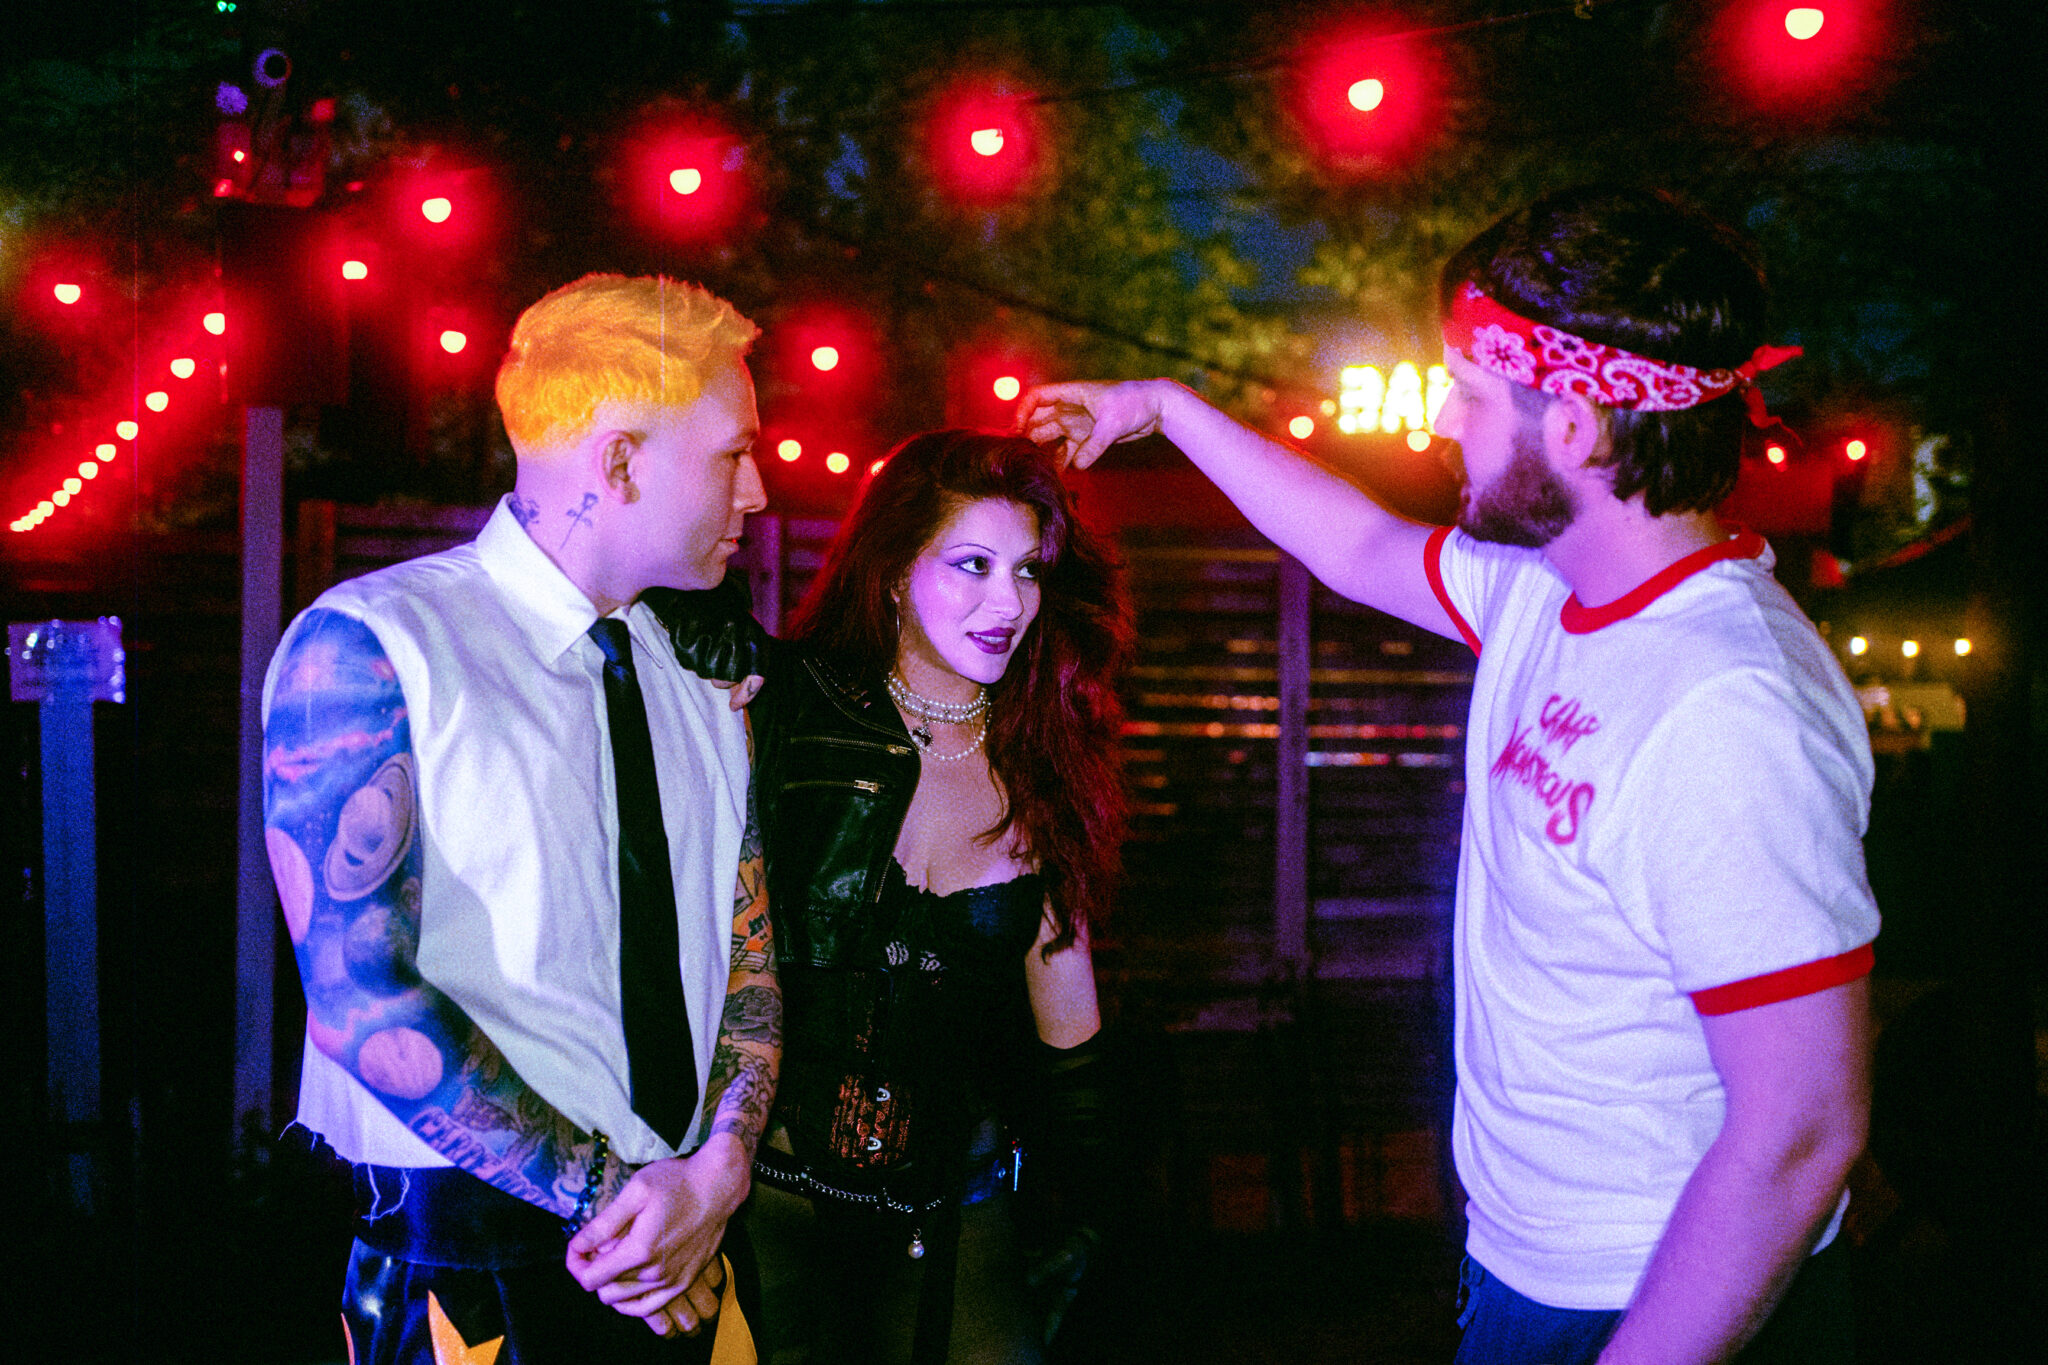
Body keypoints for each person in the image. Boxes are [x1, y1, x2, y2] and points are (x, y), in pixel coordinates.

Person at [1020, 187, 1879, 1365]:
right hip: (1528, 1267)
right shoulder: (1548, 591)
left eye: (1468, 394)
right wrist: (1164, 409)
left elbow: (1802, 1130)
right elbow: (1356, 544)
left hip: (1662, 1296)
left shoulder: (1727, 705)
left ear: (1571, 425)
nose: (1438, 424)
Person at [261, 272, 780, 1362]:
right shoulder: (374, 643)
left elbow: (749, 964)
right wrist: (624, 1208)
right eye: (734, 454)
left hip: (686, 1240)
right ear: (621, 463)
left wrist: (718, 1177)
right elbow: (359, 994)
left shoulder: (698, 679)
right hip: (466, 1258)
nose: (759, 493)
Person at [651, 429, 1132, 1365]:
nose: (1009, 602)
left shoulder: (1045, 757)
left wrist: (1091, 1222)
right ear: (896, 572)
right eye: (973, 564)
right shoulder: (781, 708)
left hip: (956, 1214)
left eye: (1028, 570)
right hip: (768, 1205)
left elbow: (1072, 1043)